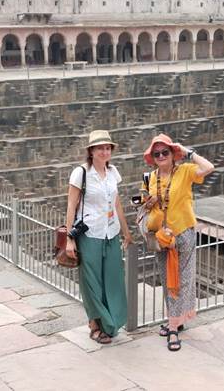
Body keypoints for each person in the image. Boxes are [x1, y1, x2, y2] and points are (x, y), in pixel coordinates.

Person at [142, 133, 214, 351]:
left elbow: (209, 167)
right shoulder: (150, 177)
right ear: (152, 157)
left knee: (182, 280)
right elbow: (144, 205)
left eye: (165, 152)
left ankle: (173, 328)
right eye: (157, 154)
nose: (161, 156)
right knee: (167, 280)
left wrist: (188, 151)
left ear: (173, 154)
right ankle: (177, 320)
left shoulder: (184, 171)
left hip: (182, 234)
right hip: (161, 236)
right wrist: (148, 203)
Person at [65, 130, 133, 344]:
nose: (104, 151)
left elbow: (116, 202)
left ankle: (110, 322)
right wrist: (69, 239)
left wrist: (126, 231)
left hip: (110, 232)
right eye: (100, 148)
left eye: (107, 148)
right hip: (89, 233)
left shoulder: (113, 172)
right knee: (92, 282)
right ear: (91, 151)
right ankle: (95, 324)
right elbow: (71, 205)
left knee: (113, 280)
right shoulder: (81, 173)